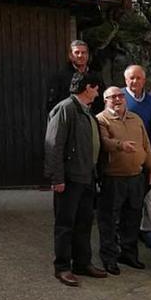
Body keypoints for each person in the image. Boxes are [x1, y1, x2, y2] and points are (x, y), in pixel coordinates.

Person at [45, 72, 107, 287]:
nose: (98, 92)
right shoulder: (66, 109)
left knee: (84, 223)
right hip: (70, 179)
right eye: (96, 88)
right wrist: (57, 178)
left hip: (86, 177)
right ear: (87, 87)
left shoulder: (86, 111)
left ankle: (82, 263)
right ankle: (62, 267)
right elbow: (54, 145)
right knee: (65, 225)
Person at [96, 86, 151, 275]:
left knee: (132, 218)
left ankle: (129, 254)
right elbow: (103, 142)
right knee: (109, 220)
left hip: (136, 177)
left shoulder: (136, 118)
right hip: (113, 178)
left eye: (120, 96)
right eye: (112, 97)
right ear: (105, 100)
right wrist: (120, 145)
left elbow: (146, 145)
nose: (117, 99)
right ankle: (109, 258)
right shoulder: (101, 119)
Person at [47, 40, 105, 114]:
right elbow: (52, 104)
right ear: (70, 55)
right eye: (77, 52)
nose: (80, 55)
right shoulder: (60, 77)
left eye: (83, 52)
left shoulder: (96, 76)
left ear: (88, 55)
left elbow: (102, 99)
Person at [123, 64, 151, 134]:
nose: (135, 81)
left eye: (138, 78)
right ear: (126, 80)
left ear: (144, 80)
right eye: (132, 78)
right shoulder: (118, 97)